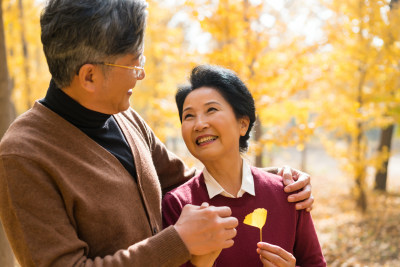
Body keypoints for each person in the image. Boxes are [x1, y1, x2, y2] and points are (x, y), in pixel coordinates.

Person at [0, 1, 313, 266]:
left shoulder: (125, 117)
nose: (142, 73)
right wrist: (177, 242)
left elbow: (188, 184)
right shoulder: (23, 156)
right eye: (134, 64)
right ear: (89, 76)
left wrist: (275, 182)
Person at [163, 65, 326, 267]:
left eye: (211, 110)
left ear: (243, 124)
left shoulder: (290, 194)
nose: (199, 124)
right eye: (189, 116)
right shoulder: (177, 205)